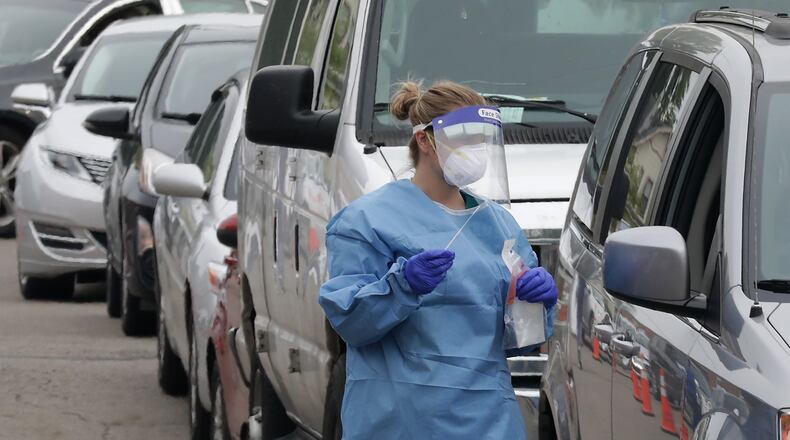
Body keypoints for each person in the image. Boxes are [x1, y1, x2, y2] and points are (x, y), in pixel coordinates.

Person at [318, 81, 558, 439]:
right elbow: (351, 323)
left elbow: (517, 339)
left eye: (482, 139)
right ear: (425, 140)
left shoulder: (497, 225)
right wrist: (400, 287)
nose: (475, 150)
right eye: (464, 138)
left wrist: (537, 305)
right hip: (401, 420)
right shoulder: (367, 221)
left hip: (487, 419)